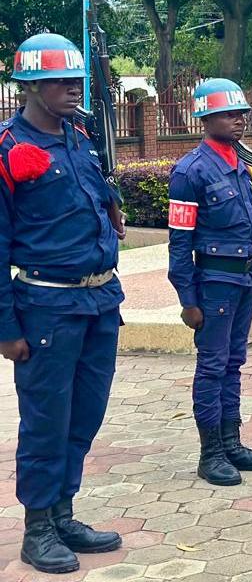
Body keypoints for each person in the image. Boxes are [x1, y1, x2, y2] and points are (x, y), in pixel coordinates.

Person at [0, 34, 126, 573]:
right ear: (28, 86)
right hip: (47, 305)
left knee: (86, 414)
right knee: (47, 419)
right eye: (58, 80)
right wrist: (6, 326)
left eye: (76, 79)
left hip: (99, 299)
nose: (73, 88)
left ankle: (64, 508)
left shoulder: (81, 139)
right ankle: (38, 527)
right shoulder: (9, 149)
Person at [167, 78, 252, 486]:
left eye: (241, 114)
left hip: (245, 277)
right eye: (229, 114)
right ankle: (210, 453)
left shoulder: (238, 163)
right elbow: (179, 245)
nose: (239, 121)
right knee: (212, 367)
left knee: (234, 364)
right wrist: (187, 298)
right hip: (213, 283)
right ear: (205, 117)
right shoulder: (190, 171)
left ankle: (231, 442)